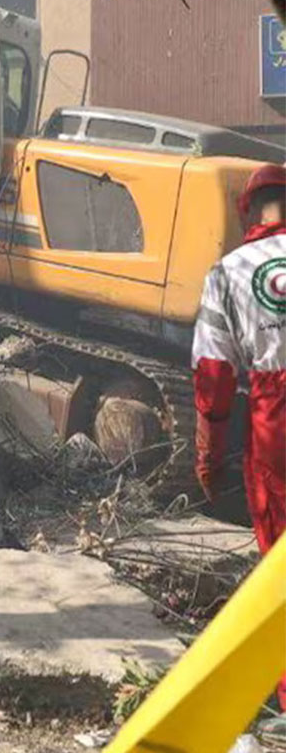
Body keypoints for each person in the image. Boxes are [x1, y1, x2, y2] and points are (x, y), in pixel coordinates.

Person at [192, 162, 286, 708]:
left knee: (278, 562)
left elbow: (213, 374)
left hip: (275, 424)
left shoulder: (227, 273)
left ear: (248, 210)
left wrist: (210, 457)